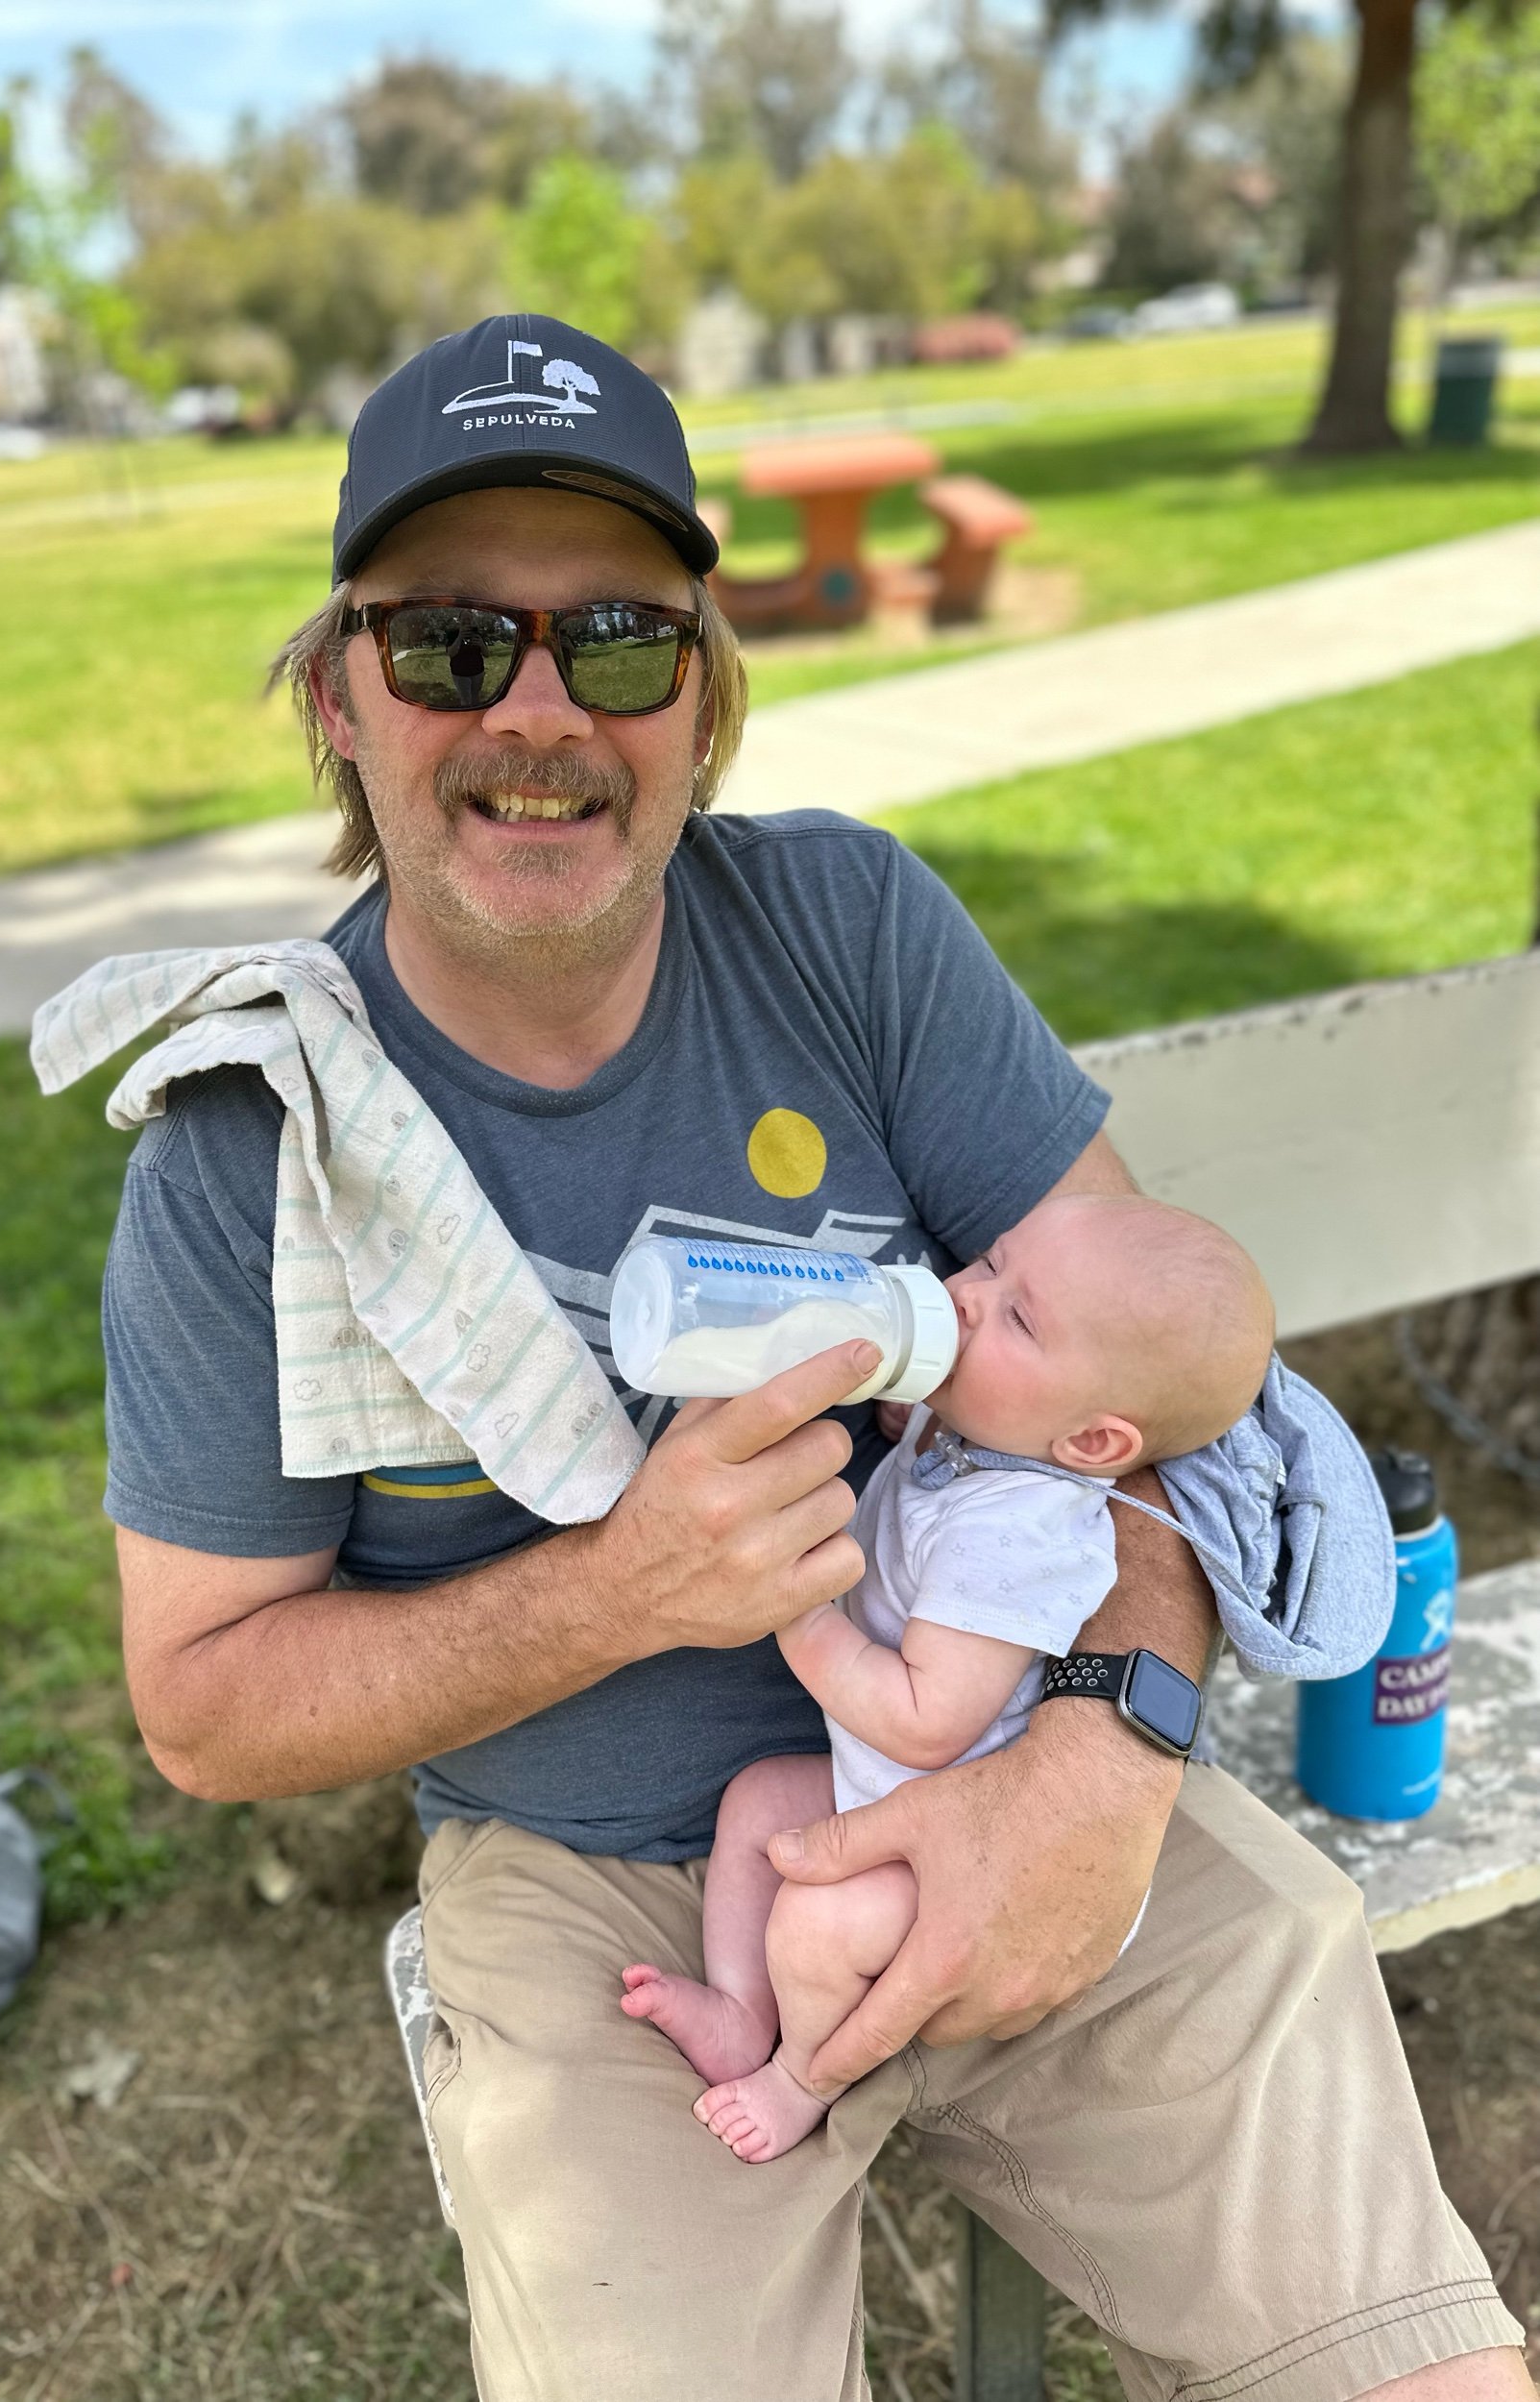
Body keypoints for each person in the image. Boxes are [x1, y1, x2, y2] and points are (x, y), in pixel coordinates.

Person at [106, 315, 1529, 2401]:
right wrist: (622, 1591)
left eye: (611, 640)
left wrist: (1103, 1738)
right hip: (592, 1893)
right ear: (337, 696)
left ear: (704, 696)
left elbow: (1151, 1409)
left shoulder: (846, 931)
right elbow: (205, 1703)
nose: (534, 715)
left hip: (1014, 1740)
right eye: (443, 648)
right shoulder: (255, 1148)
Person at [622, 1191, 1276, 2164]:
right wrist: (915, 1400)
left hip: (969, 1836)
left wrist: (795, 1612)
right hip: (895, 1790)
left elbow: (926, 1719)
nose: (968, 1296)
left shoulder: (1019, 1533)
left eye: (1017, 1316)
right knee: (763, 1802)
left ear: (1091, 1444)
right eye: (991, 1261)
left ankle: (802, 2075)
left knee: (817, 1920)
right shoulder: (987, 1422)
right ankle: (736, 2009)